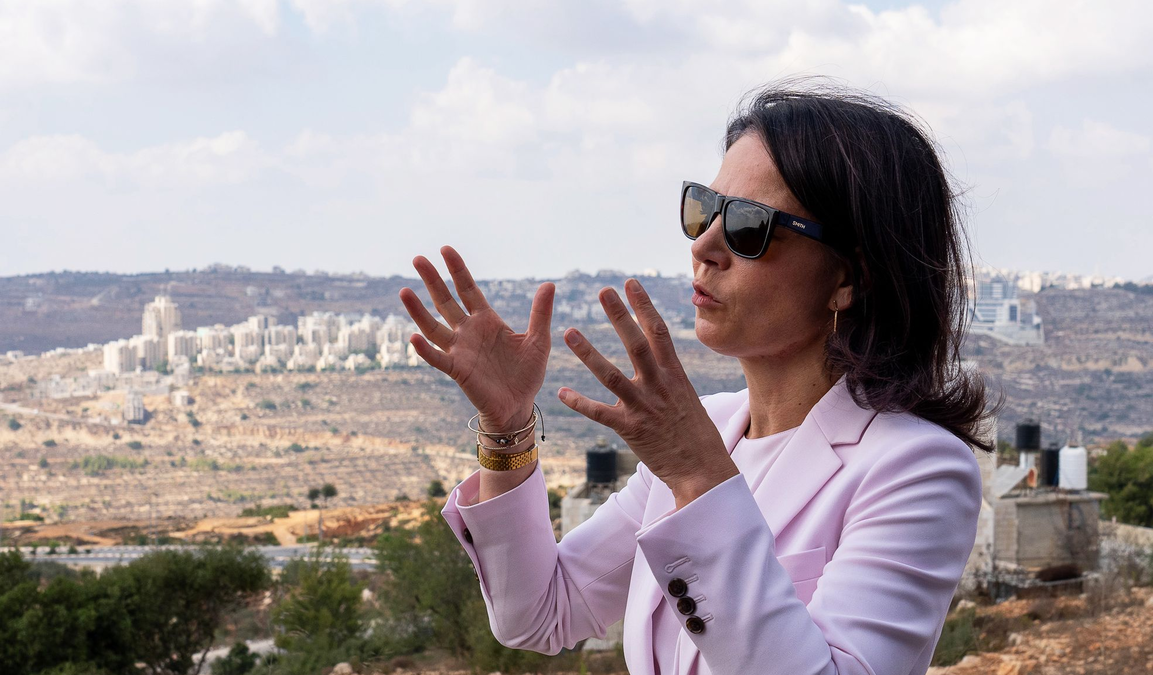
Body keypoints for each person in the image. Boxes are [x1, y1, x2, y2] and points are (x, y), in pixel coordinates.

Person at [398, 80, 1001, 675]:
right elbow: (540, 613)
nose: (705, 245)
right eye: (703, 209)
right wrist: (507, 428)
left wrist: (698, 476)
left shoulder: (916, 469)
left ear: (849, 278)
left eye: (748, 227)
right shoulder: (711, 429)